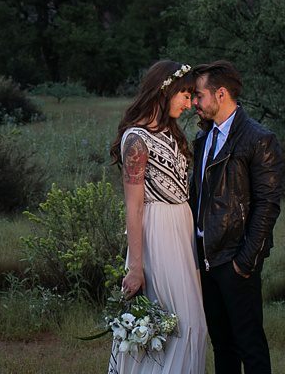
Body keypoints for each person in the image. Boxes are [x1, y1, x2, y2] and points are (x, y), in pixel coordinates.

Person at [109, 60, 207, 374]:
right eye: (185, 94)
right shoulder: (136, 139)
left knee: (187, 325)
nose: (190, 102)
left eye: (193, 95)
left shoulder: (172, 133)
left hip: (182, 231)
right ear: (165, 89)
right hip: (156, 233)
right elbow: (134, 207)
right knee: (179, 324)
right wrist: (136, 268)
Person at [190, 61, 282, 374]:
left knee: (250, 345)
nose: (194, 103)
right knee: (222, 345)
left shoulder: (258, 139)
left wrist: (245, 261)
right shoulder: (203, 140)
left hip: (235, 260)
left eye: (199, 96)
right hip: (205, 258)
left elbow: (268, 205)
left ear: (221, 93)